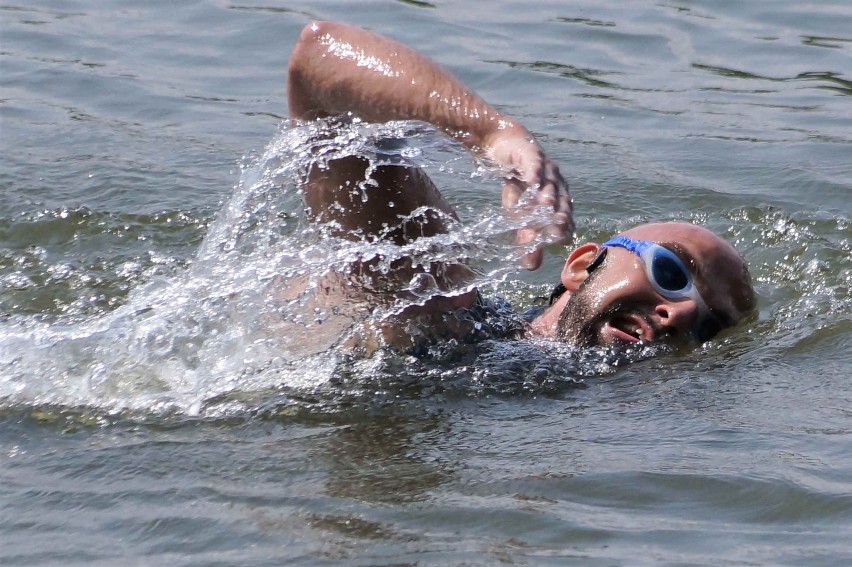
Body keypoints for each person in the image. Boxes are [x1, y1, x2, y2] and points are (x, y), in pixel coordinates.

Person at [284, 21, 755, 354]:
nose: (682, 314)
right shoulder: (439, 307)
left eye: (708, 327)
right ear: (582, 265)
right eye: (672, 273)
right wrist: (491, 133)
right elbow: (318, 58)